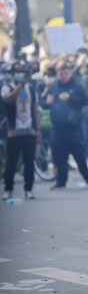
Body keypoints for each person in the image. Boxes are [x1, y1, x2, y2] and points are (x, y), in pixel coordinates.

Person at [40, 60, 88, 190]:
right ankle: (61, 181)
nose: (63, 76)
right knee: (59, 157)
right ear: (58, 74)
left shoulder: (76, 86)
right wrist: (47, 102)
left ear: (70, 73)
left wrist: (70, 98)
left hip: (73, 128)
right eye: (61, 73)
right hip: (57, 129)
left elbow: (85, 101)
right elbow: (42, 103)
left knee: (79, 156)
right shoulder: (53, 87)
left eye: (65, 73)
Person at [1, 62, 40, 200]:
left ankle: (28, 189)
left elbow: (36, 110)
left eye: (22, 71)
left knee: (29, 162)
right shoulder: (7, 87)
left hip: (29, 131)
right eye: (17, 71)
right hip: (13, 132)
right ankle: (8, 189)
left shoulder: (31, 88)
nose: (20, 73)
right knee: (12, 162)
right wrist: (20, 86)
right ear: (12, 74)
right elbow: (8, 100)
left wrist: (38, 129)